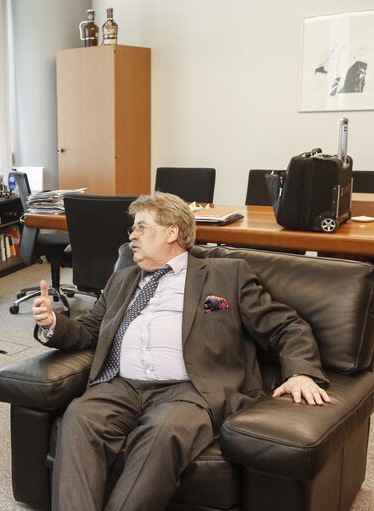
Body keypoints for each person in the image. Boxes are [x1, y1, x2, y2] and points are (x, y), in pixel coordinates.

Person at [31, 192, 330, 511]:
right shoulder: (121, 279)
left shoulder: (227, 275)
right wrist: (52, 323)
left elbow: (285, 325)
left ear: (172, 232)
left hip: (189, 390)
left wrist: (300, 372)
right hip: (120, 386)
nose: (131, 235)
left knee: (163, 432)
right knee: (79, 417)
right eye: (132, 228)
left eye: (142, 227)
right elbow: (89, 330)